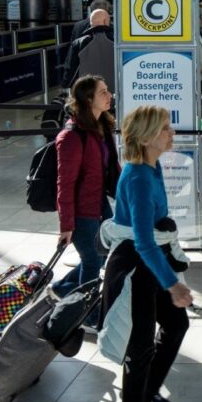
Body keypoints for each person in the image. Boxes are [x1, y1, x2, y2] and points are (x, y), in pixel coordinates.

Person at [102, 106, 193, 402]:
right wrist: (172, 284)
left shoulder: (151, 169)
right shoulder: (139, 177)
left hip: (150, 261)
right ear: (145, 137)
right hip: (137, 267)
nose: (171, 133)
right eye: (165, 129)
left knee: (175, 324)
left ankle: (146, 391)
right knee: (139, 343)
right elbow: (141, 241)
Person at [53, 76, 120, 300]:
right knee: (92, 261)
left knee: (102, 255)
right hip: (83, 210)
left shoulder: (100, 127)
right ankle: (85, 313)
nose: (109, 95)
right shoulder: (72, 136)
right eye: (103, 92)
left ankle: (61, 290)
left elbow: (111, 169)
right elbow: (65, 183)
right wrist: (66, 225)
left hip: (99, 203)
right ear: (88, 99)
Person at [63, 8, 115, 92]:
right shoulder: (117, 42)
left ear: (91, 23)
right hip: (113, 89)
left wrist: (66, 84)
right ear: (106, 21)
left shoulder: (79, 43)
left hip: (87, 91)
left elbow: (71, 69)